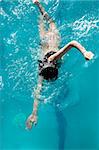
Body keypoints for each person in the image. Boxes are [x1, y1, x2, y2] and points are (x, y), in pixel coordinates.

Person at [26, 0, 94, 129]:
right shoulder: (41, 72)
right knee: (42, 25)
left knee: (49, 23)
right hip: (45, 46)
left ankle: (39, 5)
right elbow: (37, 92)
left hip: (52, 38)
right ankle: (38, 6)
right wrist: (34, 113)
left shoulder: (54, 58)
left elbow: (72, 43)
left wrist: (84, 52)